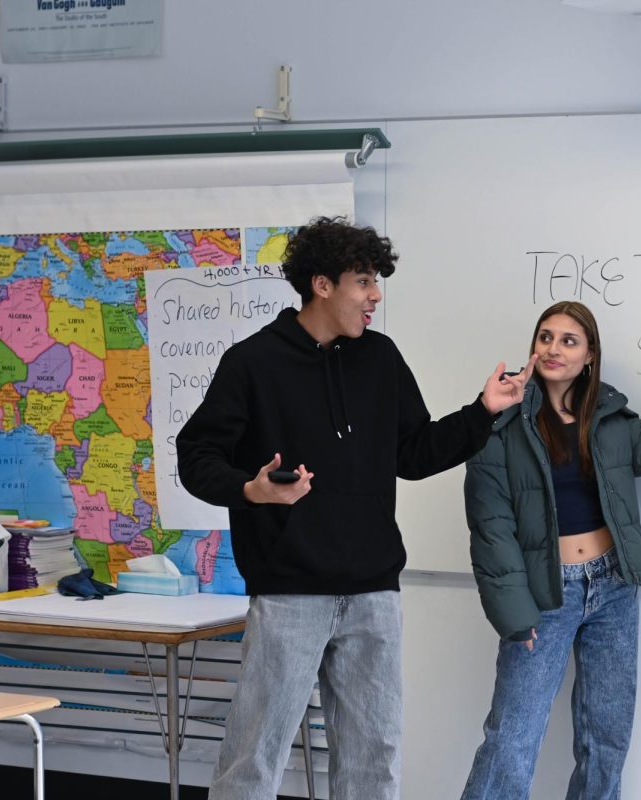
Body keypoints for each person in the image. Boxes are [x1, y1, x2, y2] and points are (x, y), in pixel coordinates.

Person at [176, 217, 534, 800]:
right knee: (254, 759)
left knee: (374, 760)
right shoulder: (252, 364)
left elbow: (413, 452)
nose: (375, 296)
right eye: (364, 282)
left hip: (373, 593)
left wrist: (482, 411)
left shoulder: (380, 358)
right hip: (290, 593)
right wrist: (251, 489)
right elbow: (196, 455)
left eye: (376, 282)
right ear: (322, 284)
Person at [459, 300, 641, 800]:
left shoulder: (608, 418)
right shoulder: (501, 415)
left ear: (589, 355)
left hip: (613, 588)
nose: (553, 348)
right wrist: (514, 615)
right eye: (545, 337)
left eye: (568, 340)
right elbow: (490, 524)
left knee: (606, 742)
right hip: (544, 594)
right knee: (512, 740)